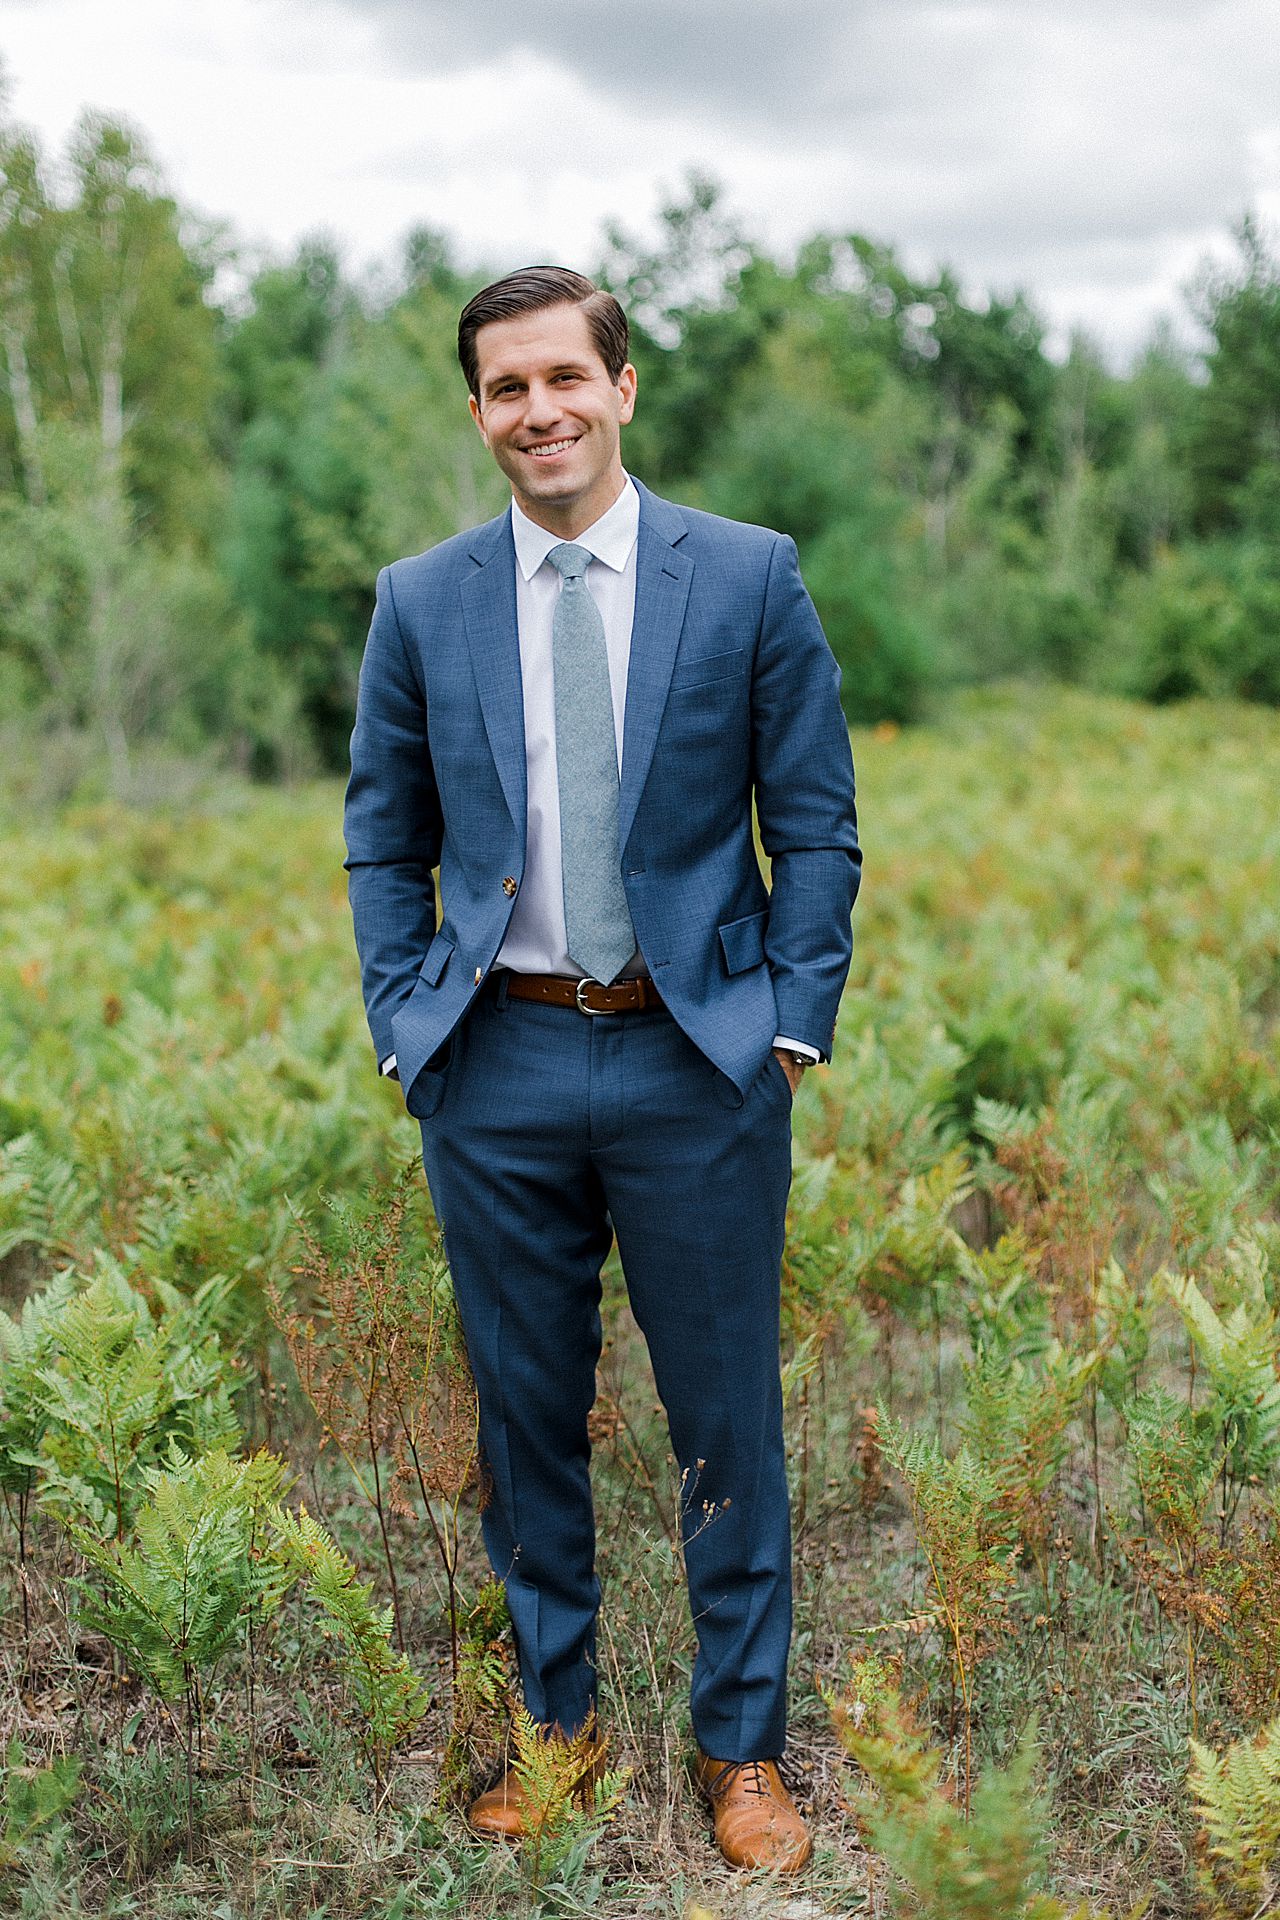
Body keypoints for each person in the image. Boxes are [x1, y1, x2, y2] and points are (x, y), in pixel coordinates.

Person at [343, 266, 860, 1872]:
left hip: (696, 1062)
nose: (539, 411)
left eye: (566, 377)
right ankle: (556, 1733)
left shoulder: (749, 577)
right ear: (480, 410)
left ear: (623, 388)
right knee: (525, 1417)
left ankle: (741, 1752)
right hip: (492, 1063)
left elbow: (819, 822)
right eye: (506, 388)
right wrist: (398, 1011)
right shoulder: (422, 601)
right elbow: (384, 831)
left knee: (724, 1421)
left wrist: (786, 1022)